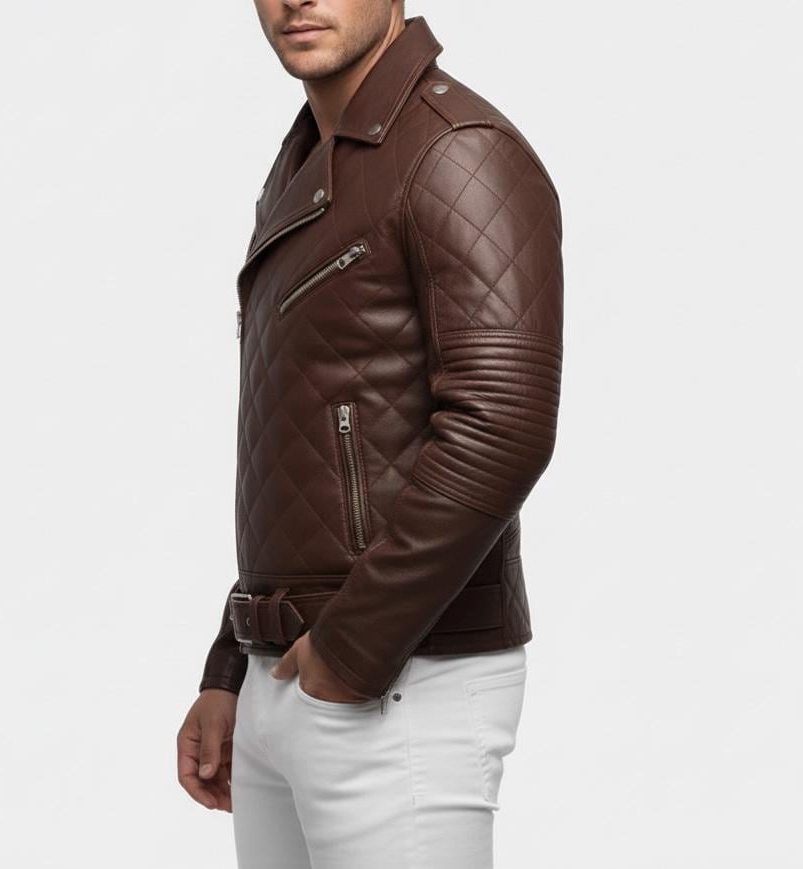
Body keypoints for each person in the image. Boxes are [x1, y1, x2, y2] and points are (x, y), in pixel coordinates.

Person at [177, 3, 564, 866]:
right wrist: (232, 666)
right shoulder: (309, 162)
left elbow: (503, 423)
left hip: (400, 681)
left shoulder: (457, 150)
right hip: (293, 675)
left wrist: (350, 652)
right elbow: (302, 453)